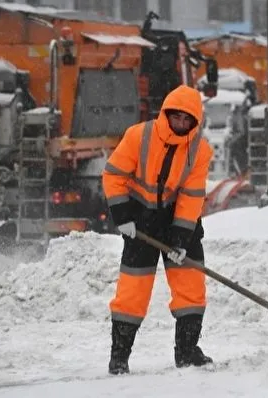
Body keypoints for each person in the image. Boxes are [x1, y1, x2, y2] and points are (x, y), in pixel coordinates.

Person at [102, 84, 214, 375]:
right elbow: (113, 176)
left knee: (191, 285)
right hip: (139, 222)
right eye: (176, 116)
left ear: (194, 121)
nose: (180, 123)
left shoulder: (199, 150)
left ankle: (187, 351)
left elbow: (191, 196)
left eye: (186, 119)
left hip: (178, 222)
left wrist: (180, 238)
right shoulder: (139, 135)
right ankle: (119, 356)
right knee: (133, 290)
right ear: (166, 114)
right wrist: (123, 216)